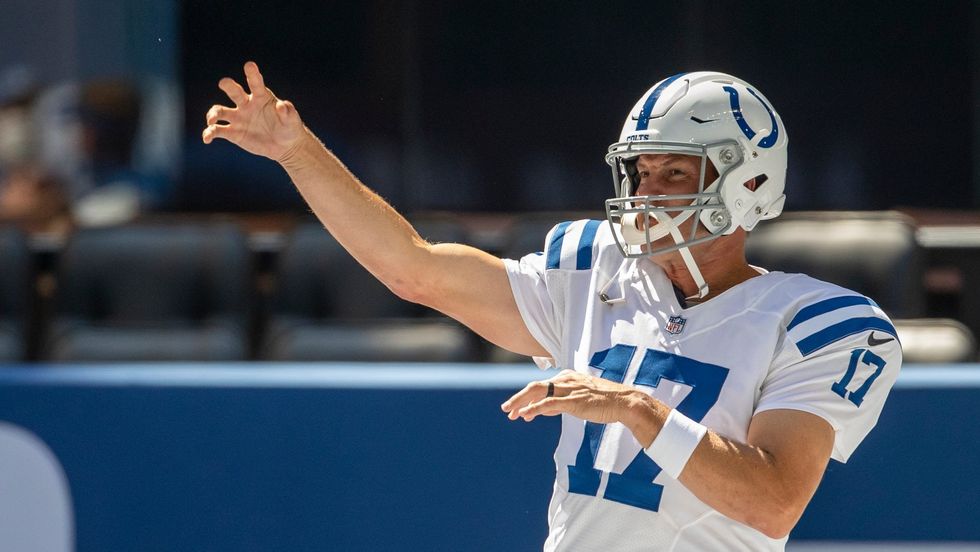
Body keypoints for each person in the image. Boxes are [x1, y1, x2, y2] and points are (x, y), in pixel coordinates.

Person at [203, 63, 901, 550]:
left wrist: (640, 409)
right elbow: (414, 271)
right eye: (642, 170)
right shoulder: (597, 271)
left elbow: (774, 501)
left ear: (747, 180)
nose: (648, 191)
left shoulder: (815, 323)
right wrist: (297, 153)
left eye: (676, 172)